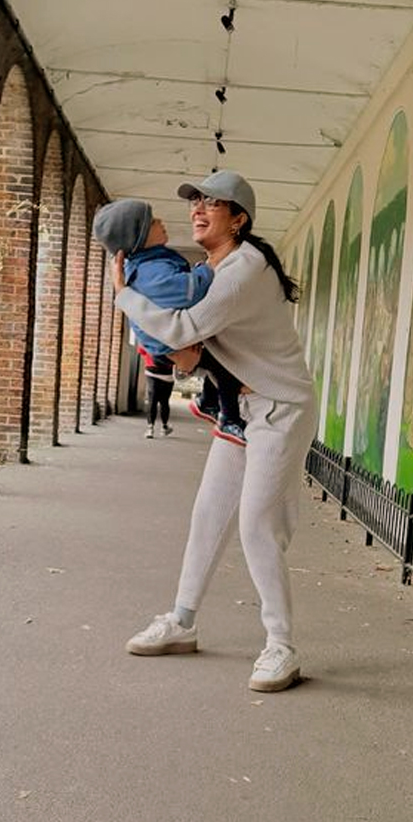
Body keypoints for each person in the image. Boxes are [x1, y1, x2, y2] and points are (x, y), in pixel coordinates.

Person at [112, 170, 318, 692]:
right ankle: (181, 622)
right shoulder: (211, 267)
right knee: (208, 515)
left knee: (256, 525)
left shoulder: (243, 269)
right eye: (195, 201)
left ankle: (281, 646)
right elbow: (200, 349)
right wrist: (191, 361)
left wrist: (124, 294)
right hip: (241, 410)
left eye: (213, 203)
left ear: (239, 218)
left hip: (279, 409)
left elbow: (183, 329)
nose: (198, 209)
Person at [93, 198, 247, 446]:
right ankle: (228, 418)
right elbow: (188, 291)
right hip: (168, 345)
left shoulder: (150, 264)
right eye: (153, 221)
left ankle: (209, 401)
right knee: (225, 367)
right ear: (139, 236)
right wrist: (208, 268)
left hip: (168, 341)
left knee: (219, 362)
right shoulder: (150, 272)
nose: (161, 222)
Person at [137, 345, 174, 438]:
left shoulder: (148, 336)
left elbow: (141, 351)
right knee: (164, 402)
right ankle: (164, 427)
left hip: (151, 371)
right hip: (167, 374)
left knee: (152, 400)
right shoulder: (169, 338)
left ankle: (150, 429)